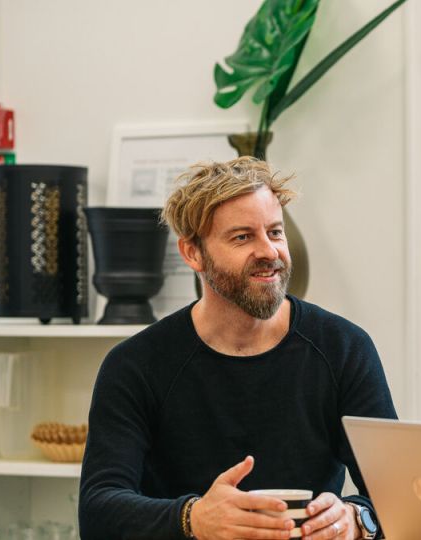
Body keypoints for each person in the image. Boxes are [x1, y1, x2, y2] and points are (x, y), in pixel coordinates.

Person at [79, 157, 397, 540]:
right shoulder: (135, 366)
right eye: (243, 237)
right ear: (193, 253)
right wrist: (193, 519)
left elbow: (397, 495)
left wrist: (355, 519)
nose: (269, 251)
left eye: (275, 232)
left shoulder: (345, 348)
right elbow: (98, 512)